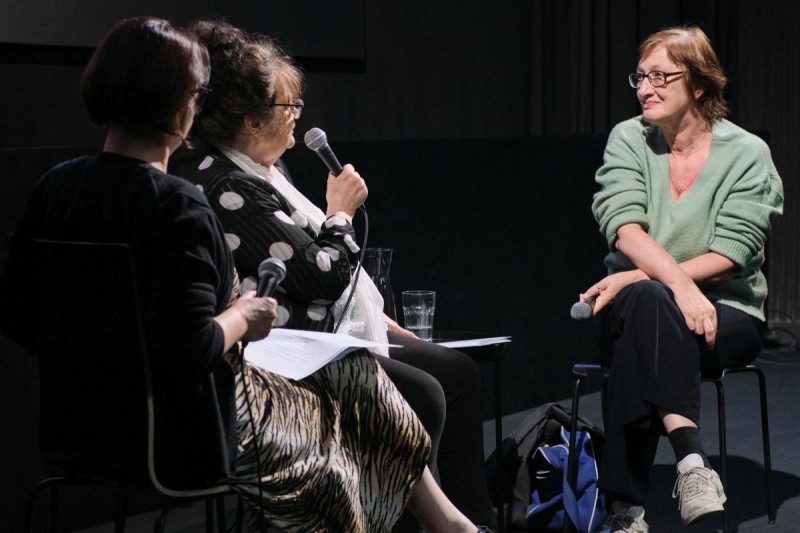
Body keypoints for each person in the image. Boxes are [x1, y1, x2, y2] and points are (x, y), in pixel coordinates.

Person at [0, 17, 484, 533]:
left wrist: (103, 361)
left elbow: (19, 315)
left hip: (75, 426)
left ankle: (452, 526)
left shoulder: (55, 189)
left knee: (352, 372)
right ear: (184, 103)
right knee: (340, 433)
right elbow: (190, 347)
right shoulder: (176, 208)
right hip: (189, 433)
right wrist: (242, 315)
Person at [168, 19, 497, 530]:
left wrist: (379, 320)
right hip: (280, 354)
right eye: (288, 107)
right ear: (252, 122)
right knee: (426, 389)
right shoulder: (226, 184)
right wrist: (339, 214)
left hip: (316, 334)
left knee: (452, 372)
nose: (298, 118)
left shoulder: (264, 173)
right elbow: (320, 272)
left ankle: (465, 521)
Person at [578, 26, 783, 532]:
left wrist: (636, 281)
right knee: (648, 300)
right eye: (639, 77)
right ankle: (691, 460)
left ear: (697, 84)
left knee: (640, 322)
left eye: (658, 77)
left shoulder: (746, 153)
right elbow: (622, 228)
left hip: (727, 312)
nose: (644, 88)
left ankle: (624, 512)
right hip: (646, 307)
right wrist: (677, 287)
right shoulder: (629, 138)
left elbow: (735, 251)